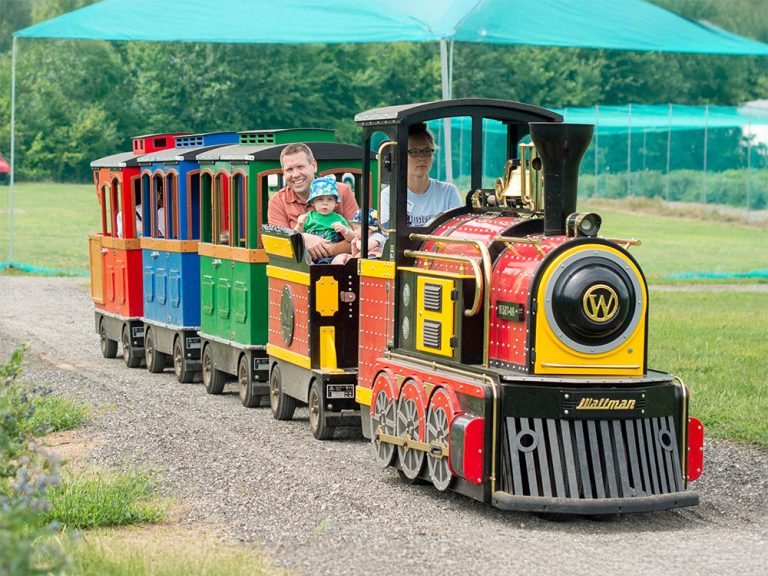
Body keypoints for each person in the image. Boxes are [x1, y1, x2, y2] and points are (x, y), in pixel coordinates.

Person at [268, 143, 359, 261]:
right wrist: (303, 238)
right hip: (298, 271)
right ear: (283, 172)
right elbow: (280, 247)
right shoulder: (277, 201)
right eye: (289, 169)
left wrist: (326, 249)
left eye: (301, 167)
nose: (295, 174)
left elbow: (359, 239)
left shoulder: (342, 191)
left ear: (314, 166)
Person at [380, 123, 463, 229]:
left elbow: (457, 231)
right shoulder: (389, 195)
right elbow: (387, 237)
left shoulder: (448, 191)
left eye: (427, 151)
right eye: (414, 152)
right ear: (400, 156)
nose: (422, 157)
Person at [294, 177, 355, 263]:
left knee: (341, 260)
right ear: (312, 202)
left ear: (336, 203)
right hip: (312, 256)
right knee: (303, 260)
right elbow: (295, 236)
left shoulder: (338, 219)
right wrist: (299, 225)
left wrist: (344, 230)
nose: (325, 203)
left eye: (330, 199)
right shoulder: (308, 217)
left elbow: (353, 238)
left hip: (333, 256)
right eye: (320, 199)